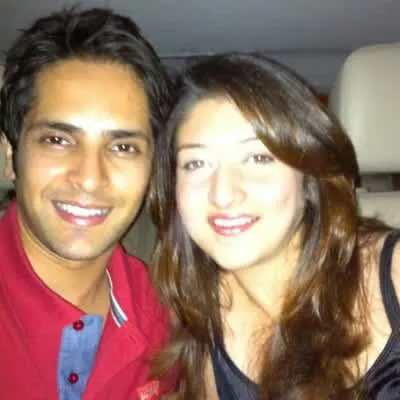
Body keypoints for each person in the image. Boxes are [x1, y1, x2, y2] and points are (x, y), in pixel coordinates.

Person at [149, 52, 399, 399]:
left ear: (309, 179)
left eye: (258, 158)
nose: (223, 194)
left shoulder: (395, 273)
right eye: (196, 164)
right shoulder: (198, 319)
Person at [0, 7, 176, 399]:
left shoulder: (167, 315)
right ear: (12, 157)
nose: (90, 178)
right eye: (58, 140)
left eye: (123, 147)